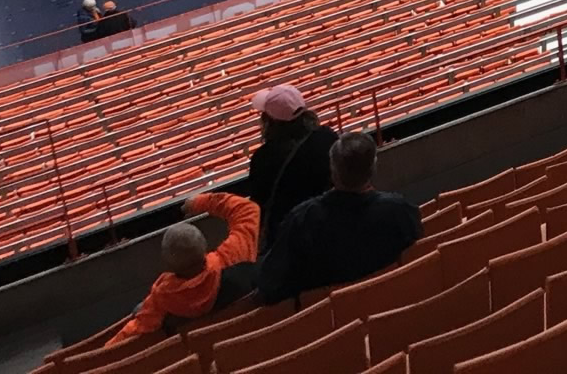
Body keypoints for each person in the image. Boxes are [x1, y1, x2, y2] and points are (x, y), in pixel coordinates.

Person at [258, 132, 421, 305]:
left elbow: (270, 284)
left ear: (333, 170)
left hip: (328, 318)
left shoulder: (303, 220)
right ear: (373, 167)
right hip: (393, 303)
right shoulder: (400, 210)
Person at [105, 190, 260, 345]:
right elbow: (247, 209)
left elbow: (127, 336)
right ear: (204, 247)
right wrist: (200, 202)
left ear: (167, 263)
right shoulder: (235, 256)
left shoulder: (161, 301)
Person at [244, 85, 338, 245]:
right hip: (332, 222)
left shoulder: (263, 158)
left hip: (289, 238)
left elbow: (258, 203)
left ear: (270, 120)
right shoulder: (328, 137)